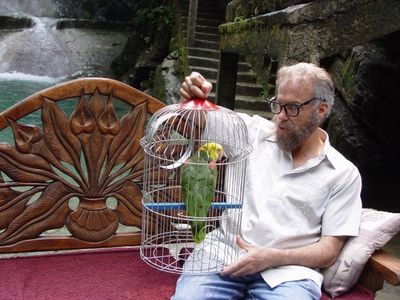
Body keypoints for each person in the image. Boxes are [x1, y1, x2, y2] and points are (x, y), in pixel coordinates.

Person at [172, 62, 362, 300]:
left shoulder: (343, 173)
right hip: (222, 255)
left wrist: (272, 257)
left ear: (321, 110)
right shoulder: (250, 132)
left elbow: (328, 250)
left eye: (292, 108)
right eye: (278, 105)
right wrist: (195, 94)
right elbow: (195, 120)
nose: (280, 117)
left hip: (288, 274)